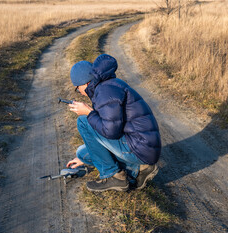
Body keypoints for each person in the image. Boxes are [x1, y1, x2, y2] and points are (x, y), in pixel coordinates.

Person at [66, 54, 161, 192]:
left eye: (77, 88)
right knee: (82, 153)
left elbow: (111, 131)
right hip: (142, 145)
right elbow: (110, 125)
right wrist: (87, 158)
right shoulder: (107, 86)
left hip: (140, 148)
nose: (79, 92)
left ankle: (113, 176)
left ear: (85, 83)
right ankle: (139, 169)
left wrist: (89, 113)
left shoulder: (105, 91)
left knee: (83, 121)